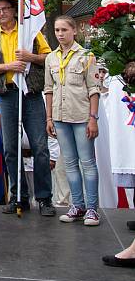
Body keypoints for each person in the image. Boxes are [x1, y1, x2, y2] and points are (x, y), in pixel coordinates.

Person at [0, 0, 55, 216]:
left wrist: (30, 57)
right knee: (10, 149)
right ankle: (18, 196)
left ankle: (44, 198)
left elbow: (49, 57)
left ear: (14, 10)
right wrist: (9, 66)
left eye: (5, 9)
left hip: (30, 94)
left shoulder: (30, 33)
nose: (1, 13)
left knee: (40, 147)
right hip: (7, 95)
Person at [44, 15, 101, 225]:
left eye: (64, 30)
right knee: (69, 163)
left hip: (81, 117)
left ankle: (92, 208)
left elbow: (94, 90)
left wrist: (93, 118)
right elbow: (49, 90)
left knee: (87, 162)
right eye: (57, 30)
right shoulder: (51, 58)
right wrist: (49, 117)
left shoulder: (86, 56)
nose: (60, 34)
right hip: (60, 117)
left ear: (74, 31)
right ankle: (77, 205)